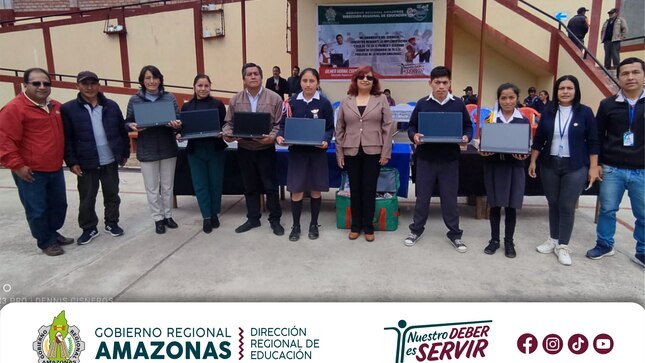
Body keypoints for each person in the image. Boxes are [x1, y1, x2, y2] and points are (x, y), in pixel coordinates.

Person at [0, 67, 74, 256]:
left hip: (55, 168)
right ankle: (45, 241)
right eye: (36, 83)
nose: (42, 87)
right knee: (37, 209)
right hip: (31, 171)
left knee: (58, 205)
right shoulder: (14, 108)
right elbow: (5, 139)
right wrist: (17, 166)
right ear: (25, 85)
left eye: (46, 83)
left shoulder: (56, 106)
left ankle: (52, 232)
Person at [529, 75, 600, 266]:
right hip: (550, 163)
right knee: (553, 202)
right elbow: (539, 139)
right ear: (556, 91)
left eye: (570, 88)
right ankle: (553, 239)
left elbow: (593, 141)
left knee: (567, 205)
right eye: (562, 88)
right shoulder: (548, 111)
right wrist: (533, 160)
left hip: (575, 165)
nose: (566, 91)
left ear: (576, 91)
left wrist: (593, 167)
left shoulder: (585, 112)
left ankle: (563, 245)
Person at [403, 66, 473, 251]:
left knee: (450, 199)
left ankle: (455, 234)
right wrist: (414, 136)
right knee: (422, 197)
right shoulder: (422, 103)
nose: (441, 86)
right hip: (426, 159)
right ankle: (416, 230)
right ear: (430, 83)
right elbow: (411, 126)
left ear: (450, 83)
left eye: (445, 82)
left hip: (449, 160)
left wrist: (467, 137)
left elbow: (468, 127)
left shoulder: (458, 103)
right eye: (437, 82)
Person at [586, 57, 644, 267]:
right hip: (612, 168)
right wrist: (597, 163)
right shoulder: (607, 104)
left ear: (643, 76)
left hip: (642, 170)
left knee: (643, 213)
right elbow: (597, 136)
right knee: (608, 209)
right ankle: (604, 244)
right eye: (625, 73)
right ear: (618, 77)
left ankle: (642, 251)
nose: (630, 77)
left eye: (635, 72)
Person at [61, 71, 130, 245]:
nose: (90, 87)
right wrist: (72, 162)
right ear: (78, 86)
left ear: (99, 85)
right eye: (85, 84)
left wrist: (124, 153)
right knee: (87, 196)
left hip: (110, 159)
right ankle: (89, 227)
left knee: (112, 194)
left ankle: (112, 223)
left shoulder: (111, 106)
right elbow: (67, 138)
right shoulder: (68, 109)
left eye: (93, 83)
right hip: (86, 161)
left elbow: (122, 132)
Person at [223, 62, 284, 236]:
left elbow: (279, 124)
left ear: (261, 77)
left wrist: (271, 137)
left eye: (256, 73)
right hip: (244, 149)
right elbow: (229, 123)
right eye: (249, 74)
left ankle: (275, 219)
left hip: (265, 149)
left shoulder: (275, 98)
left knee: (271, 186)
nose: (253, 76)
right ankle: (253, 218)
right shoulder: (235, 100)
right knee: (249, 186)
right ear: (243, 79)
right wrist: (228, 134)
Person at [335, 66, 393, 242]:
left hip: (373, 150)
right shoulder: (346, 101)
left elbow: (388, 126)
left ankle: (368, 226)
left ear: (374, 81)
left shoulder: (381, 99)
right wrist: (339, 154)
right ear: (355, 80)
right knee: (355, 189)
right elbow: (340, 129)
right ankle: (355, 226)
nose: (365, 79)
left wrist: (386, 152)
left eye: (369, 77)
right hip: (351, 150)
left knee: (369, 189)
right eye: (361, 77)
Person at [277, 68, 334, 241]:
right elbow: (282, 125)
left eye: (312, 81)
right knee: (297, 190)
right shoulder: (291, 102)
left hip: (317, 154)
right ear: (300, 82)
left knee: (316, 189)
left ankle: (314, 224)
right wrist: (280, 136)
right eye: (305, 81)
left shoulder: (324, 103)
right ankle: (296, 226)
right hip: (298, 153)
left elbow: (330, 128)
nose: (308, 84)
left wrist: (326, 139)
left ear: (318, 83)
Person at [125, 65, 182, 234]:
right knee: (151, 186)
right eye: (148, 78)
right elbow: (126, 122)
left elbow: (178, 120)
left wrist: (176, 125)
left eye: (155, 77)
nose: (152, 81)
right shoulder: (135, 100)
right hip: (147, 148)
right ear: (142, 81)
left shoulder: (169, 98)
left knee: (167, 185)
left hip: (167, 147)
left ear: (160, 79)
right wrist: (132, 126)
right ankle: (157, 218)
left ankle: (168, 216)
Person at [479, 83, 530, 258]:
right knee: (495, 205)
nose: (507, 101)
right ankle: (494, 240)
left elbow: (526, 146)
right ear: (498, 99)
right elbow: (483, 143)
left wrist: (524, 155)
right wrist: (483, 151)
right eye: (503, 98)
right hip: (494, 167)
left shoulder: (523, 121)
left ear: (517, 99)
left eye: (511, 97)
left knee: (511, 207)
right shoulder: (491, 119)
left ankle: (509, 242)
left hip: (514, 168)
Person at [178, 74, 227, 234]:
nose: (203, 89)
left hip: (215, 149)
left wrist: (223, 132)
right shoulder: (187, 107)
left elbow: (225, 125)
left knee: (215, 183)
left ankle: (215, 214)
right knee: (200, 185)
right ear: (194, 87)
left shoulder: (218, 105)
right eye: (200, 85)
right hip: (195, 151)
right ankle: (206, 216)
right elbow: (182, 129)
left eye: (206, 85)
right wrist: (179, 134)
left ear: (210, 87)